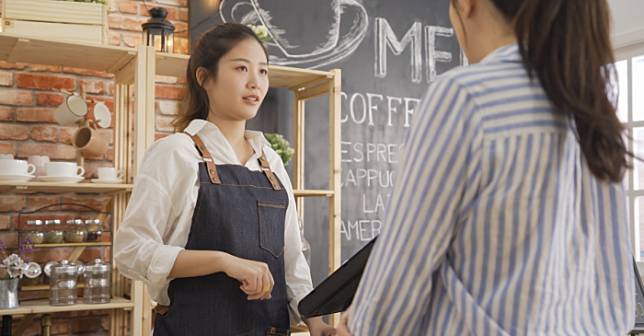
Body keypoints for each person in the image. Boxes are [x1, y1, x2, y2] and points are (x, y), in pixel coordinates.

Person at [338, 0, 635, 334]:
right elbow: (616, 294)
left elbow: (391, 298)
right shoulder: (592, 110)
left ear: (466, 5)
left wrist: (361, 320)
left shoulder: (464, 97)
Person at [114, 23, 335, 336]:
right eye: (241, 68)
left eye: (263, 71)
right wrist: (222, 261)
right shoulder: (176, 153)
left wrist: (317, 324)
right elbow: (129, 250)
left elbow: (292, 257)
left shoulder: (268, 161)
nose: (255, 83)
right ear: (204, 78)